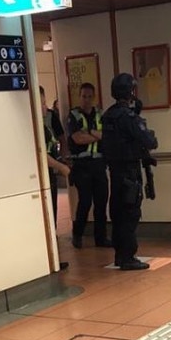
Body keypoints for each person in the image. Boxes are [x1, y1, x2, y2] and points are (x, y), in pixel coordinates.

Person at [102, 73, 158, 271]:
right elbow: (150, 141)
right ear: (130, 92)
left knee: (118, 213)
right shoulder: (129, 117)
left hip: (115, 172)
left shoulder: (108, 115)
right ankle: (128, 257)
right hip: (129, 172)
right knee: (130, 213)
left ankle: (120, 255)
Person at [66, 82, 112, 248]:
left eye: (89, 96)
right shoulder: (74, 115)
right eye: (83, 96)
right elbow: (77, 138)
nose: (86, 100)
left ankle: (101, 238)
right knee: (85, 202)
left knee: (101, 202)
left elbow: (107, 136)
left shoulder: (100, 115)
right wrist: (97, 135)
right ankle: (77, 234)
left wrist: (90, 133)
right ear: (80, 97)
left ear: (94, 97)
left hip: (99, 164)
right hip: (82, 165)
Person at [40, 86, 70, 270]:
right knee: (46, 217)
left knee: (52, 216)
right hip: (41, 178)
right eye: (42, 102)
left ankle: (52, 260)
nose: (45, 107)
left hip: (48, 176)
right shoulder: (36, 128)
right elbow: (41, 154)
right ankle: (49, 262)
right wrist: (61, 167)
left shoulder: (44, 125)